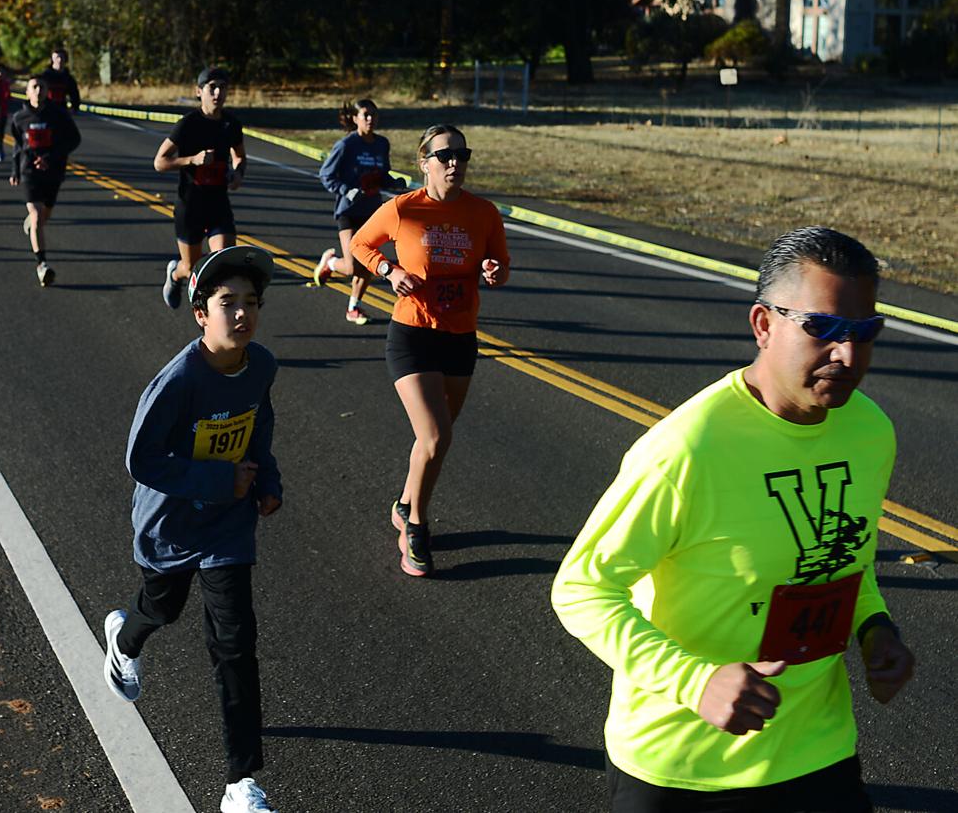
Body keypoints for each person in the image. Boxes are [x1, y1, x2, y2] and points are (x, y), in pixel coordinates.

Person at [551, 226, 913, 813]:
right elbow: (583, 589)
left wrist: (876, 629)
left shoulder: (869, 431)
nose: (847, 355)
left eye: (863, 332)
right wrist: (696, 682)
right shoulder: (688, 449)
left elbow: (847, 552)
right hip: (683, 769)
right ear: (764, 325)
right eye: (822, 329)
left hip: (816, 751)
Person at [102, 245, 283, 813]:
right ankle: (123, 638)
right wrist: (216, 480)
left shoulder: (263, 365)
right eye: (228, 302)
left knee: (235, 644)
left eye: (251, 302)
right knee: (163, 608)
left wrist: (266, 477)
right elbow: (141, 459)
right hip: (170, 526)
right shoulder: (177, 382)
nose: (242, 314)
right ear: (201, 313)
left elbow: (259, 424)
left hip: (228, 528)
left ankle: (240, 784)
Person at [350, 125, 510, 577]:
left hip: (460, 336)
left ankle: (404, 503)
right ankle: (416, 527)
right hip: (413, 335)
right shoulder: (403, 209)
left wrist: (495, 271)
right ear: (424, 163)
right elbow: (359, 244)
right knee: (437, 436)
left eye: (462, 154)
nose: (455, 162)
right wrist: (388, 269)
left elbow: (498, 265)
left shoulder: (483, 212)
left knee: (433, 441)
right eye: (445, 155)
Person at [153, 66, 247, 310]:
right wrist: (190, 160)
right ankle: (175, 274)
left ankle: (215, 317)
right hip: (190, 205)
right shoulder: (188, 124)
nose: (218, 93)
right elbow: (159, 162)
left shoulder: (231, 124)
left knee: (224, 262)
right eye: (212, 87)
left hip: (218, 204)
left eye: (223, 88)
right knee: (192, 269)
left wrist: (237, 174)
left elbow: (239, 156)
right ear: (199, 92)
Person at [312, 99, 407, 325]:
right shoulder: (346, 145)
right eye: (365, 114)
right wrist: (346, 190)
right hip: (349, 211)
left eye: (374, 114)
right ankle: (331, 263)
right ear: (355, 118)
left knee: (370, 264)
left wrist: (394, 183)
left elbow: (382, 174)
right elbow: (326, 175)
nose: (370, 119)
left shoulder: (382, 144)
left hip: (373, 212)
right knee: (353, 265)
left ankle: (353, 307)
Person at [9, 74, 81, 286]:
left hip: (53, 171)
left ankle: (32, 225)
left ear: (47, 90)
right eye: (34, 87)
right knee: (37, 214)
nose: (38, 90)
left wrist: (51, 157)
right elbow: (17, 146)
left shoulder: (58, 114)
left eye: (41, 86)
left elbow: (74, 139)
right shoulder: (19, 118)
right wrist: (15, 170)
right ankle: (42, 265)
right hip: (29, 172)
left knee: (44, 215)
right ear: (27, 91)